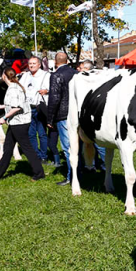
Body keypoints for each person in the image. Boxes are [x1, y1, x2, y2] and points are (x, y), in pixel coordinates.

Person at [0, 68, 45, 181]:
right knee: (8, 149)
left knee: (27, 148)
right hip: (16, 122)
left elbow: (17, 107)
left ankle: (39, 173)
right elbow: (18, 103)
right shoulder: (15, 86)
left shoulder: (13, 89)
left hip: (19, 123)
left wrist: (3, 118)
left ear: (4, 76)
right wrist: (2, 107)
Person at [47, 52, 77, 186]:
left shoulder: (56, 75)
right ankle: (78, 172)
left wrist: (50, 118)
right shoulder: (76, 73)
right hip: (76, 113)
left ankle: (72, 176)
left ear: (55, 61)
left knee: (68, 147)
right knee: (76, 146)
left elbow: (54, 98)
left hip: (63, 114)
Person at [21, 56, 50, 164]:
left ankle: (43, 156)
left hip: (40, 107)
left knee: (42, 133)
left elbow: (52, 88)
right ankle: (35, 155)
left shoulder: (46, 75)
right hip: (28, 108)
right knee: (30, 134)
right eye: (30, 64)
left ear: (39, 65)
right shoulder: (25, 76)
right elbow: (21, 88)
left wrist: (46, 91)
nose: (31, 65)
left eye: (34, 63)